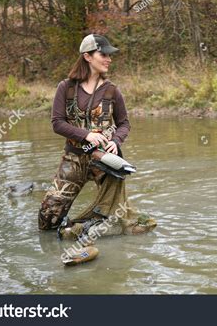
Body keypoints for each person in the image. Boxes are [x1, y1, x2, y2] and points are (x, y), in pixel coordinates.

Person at [38, 34, 156, 265]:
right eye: (104, 54)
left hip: (104, 161)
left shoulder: (112, 91)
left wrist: (117, 141)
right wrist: (86, 135)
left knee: (114, 215)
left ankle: (104, 256)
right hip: (73, 160)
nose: (109, 59)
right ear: (87, 56)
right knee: (47, 221)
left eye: (110, 55)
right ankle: (57, 250)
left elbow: (124, 124)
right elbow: (57, 123)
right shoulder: (66, 87)